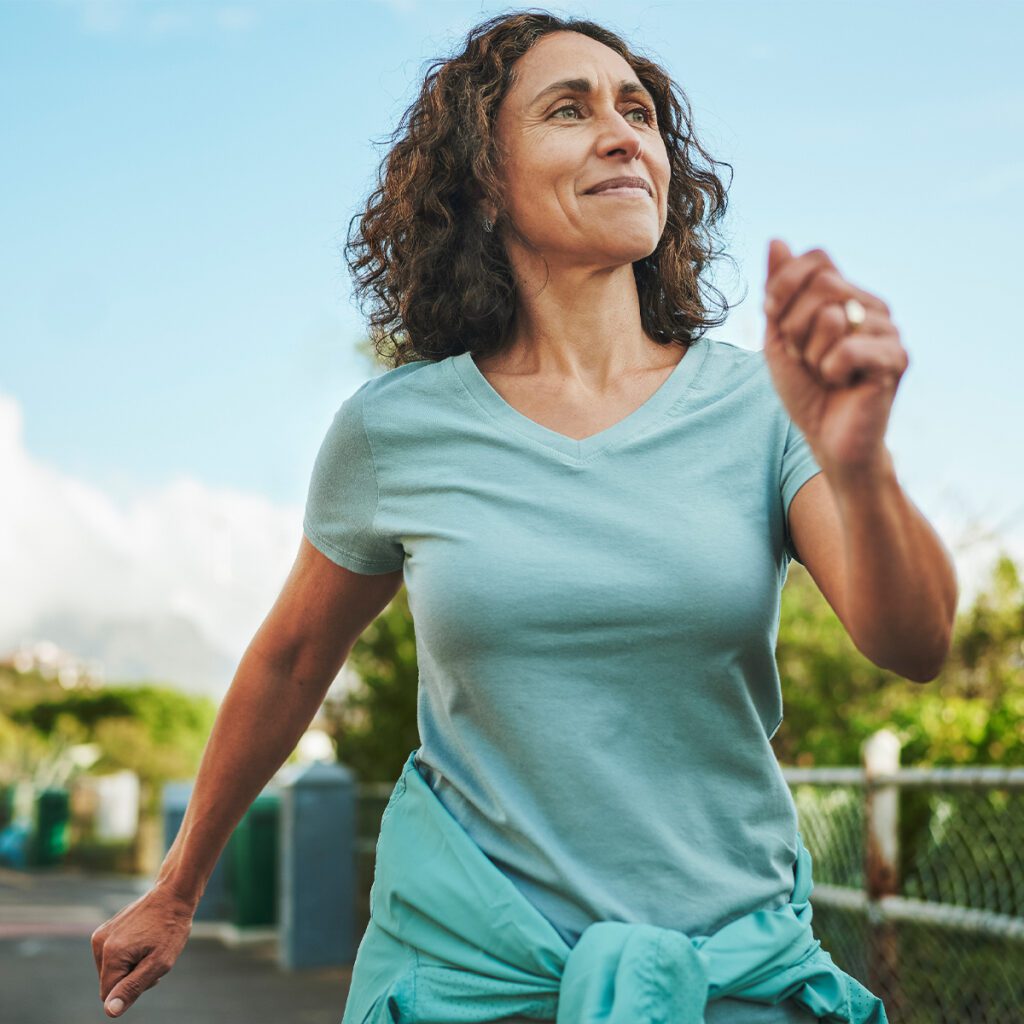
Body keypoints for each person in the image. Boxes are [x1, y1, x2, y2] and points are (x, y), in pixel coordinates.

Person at [90, 9, 957, 1024]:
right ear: (485, 179)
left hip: (729, 979)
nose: (622, 132)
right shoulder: (395, 429)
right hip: (466, 980)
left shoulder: (765, 402)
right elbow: (290, 659)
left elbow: (914, 641)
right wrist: (179, 882)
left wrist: (858, 466)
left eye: (636, 111)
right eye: (568, 109)